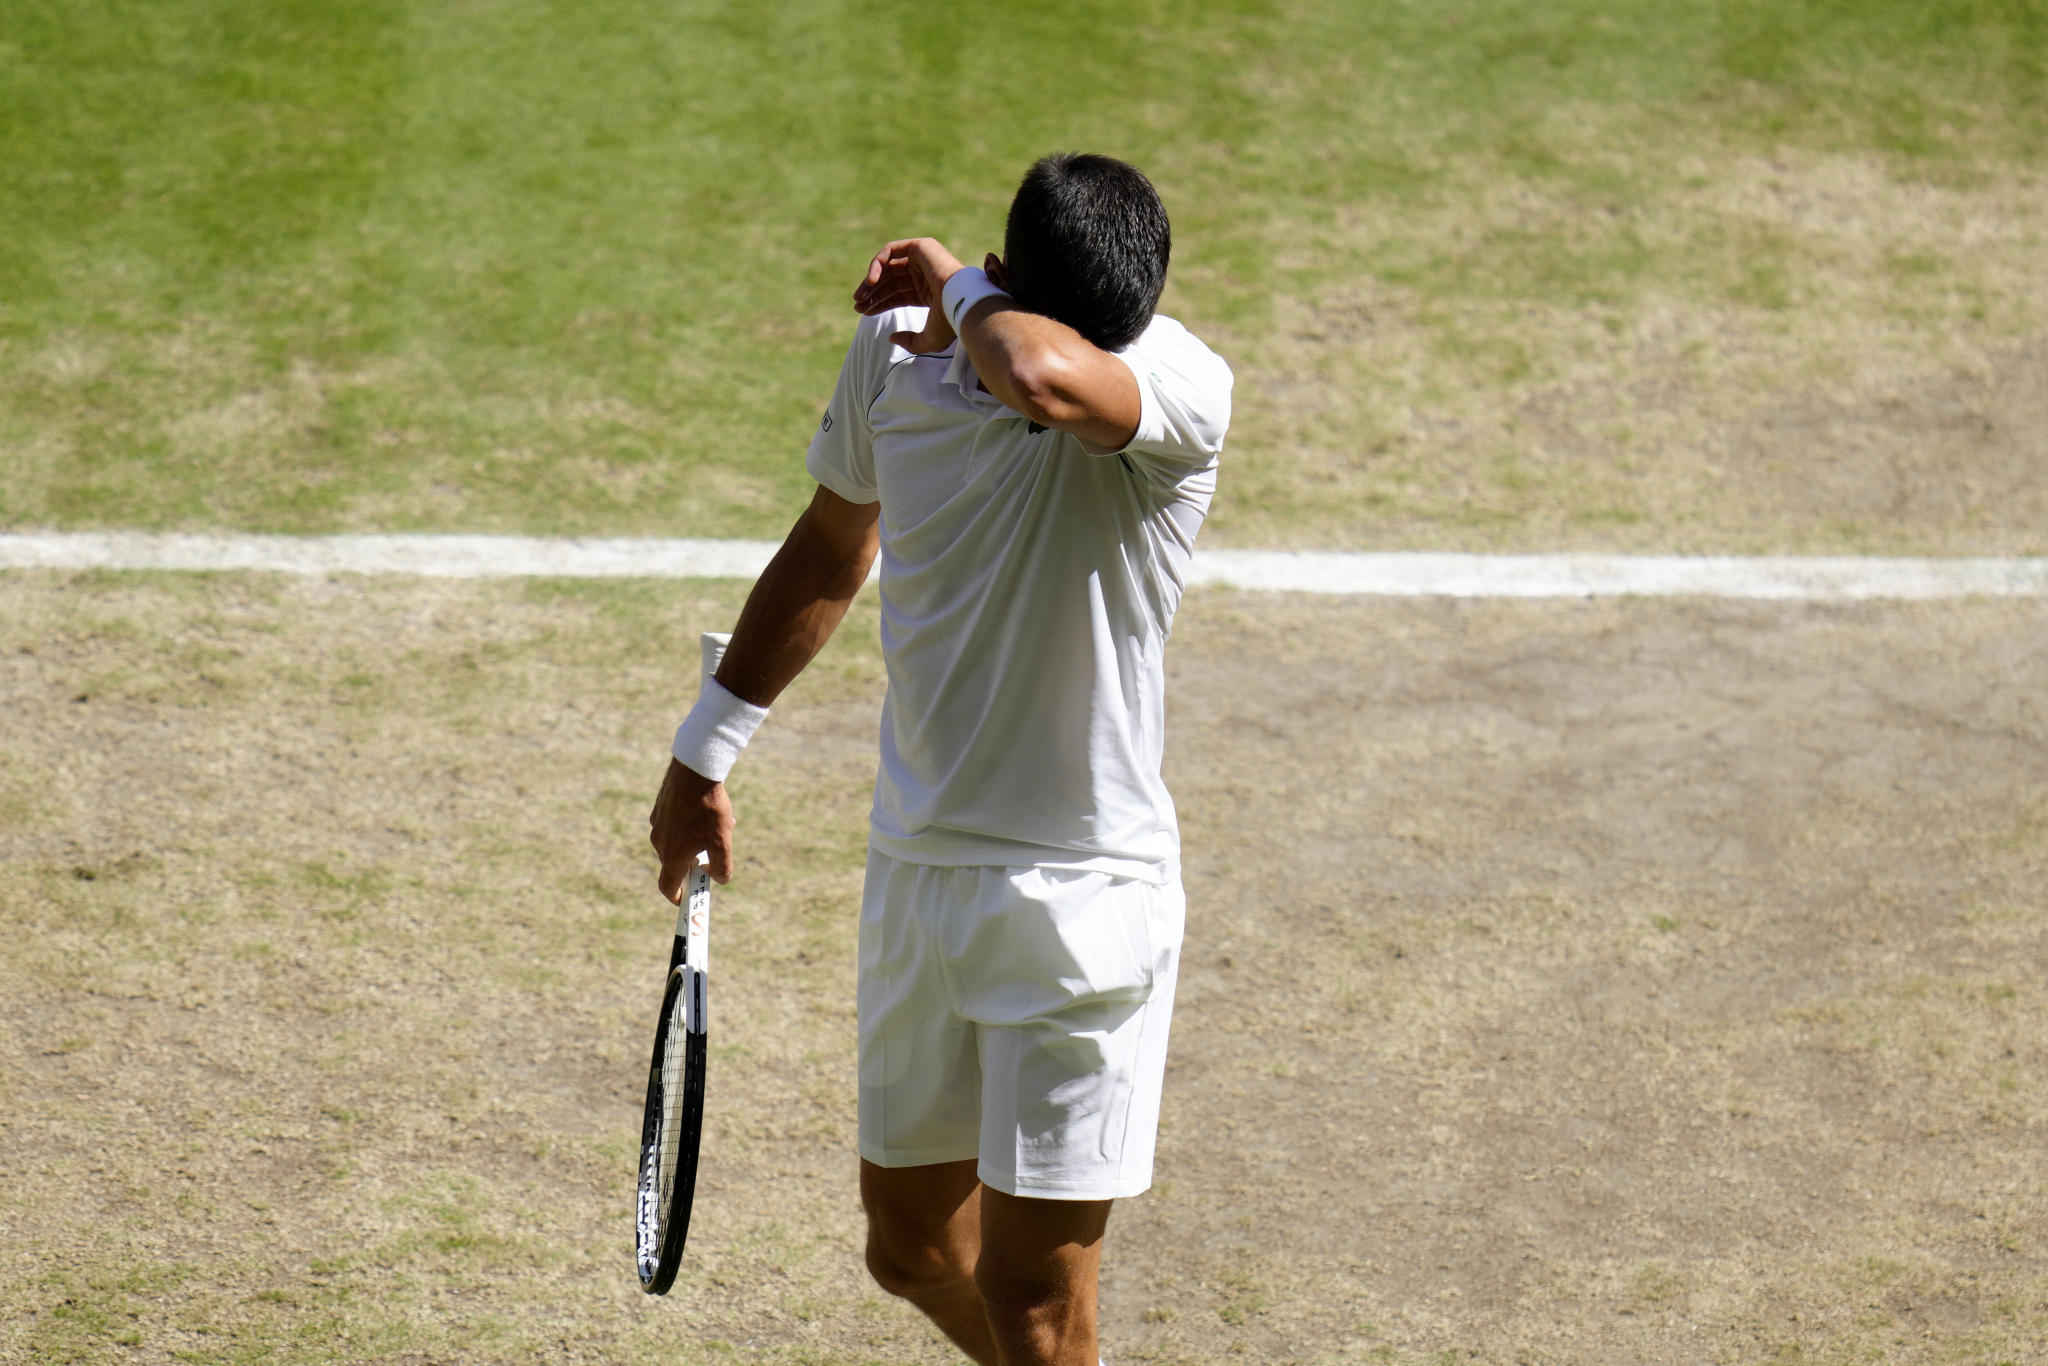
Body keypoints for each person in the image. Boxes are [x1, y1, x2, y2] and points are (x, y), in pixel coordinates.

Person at [648, 151, 1232, 1366]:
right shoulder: (894, 358)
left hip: (1083, 895)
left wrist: (957, 286)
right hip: (916, 875)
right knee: (908, 1247)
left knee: (1033, 1307)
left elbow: (1034, 373)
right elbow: (825, 551)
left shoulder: (1170, 380)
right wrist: (702, 754)